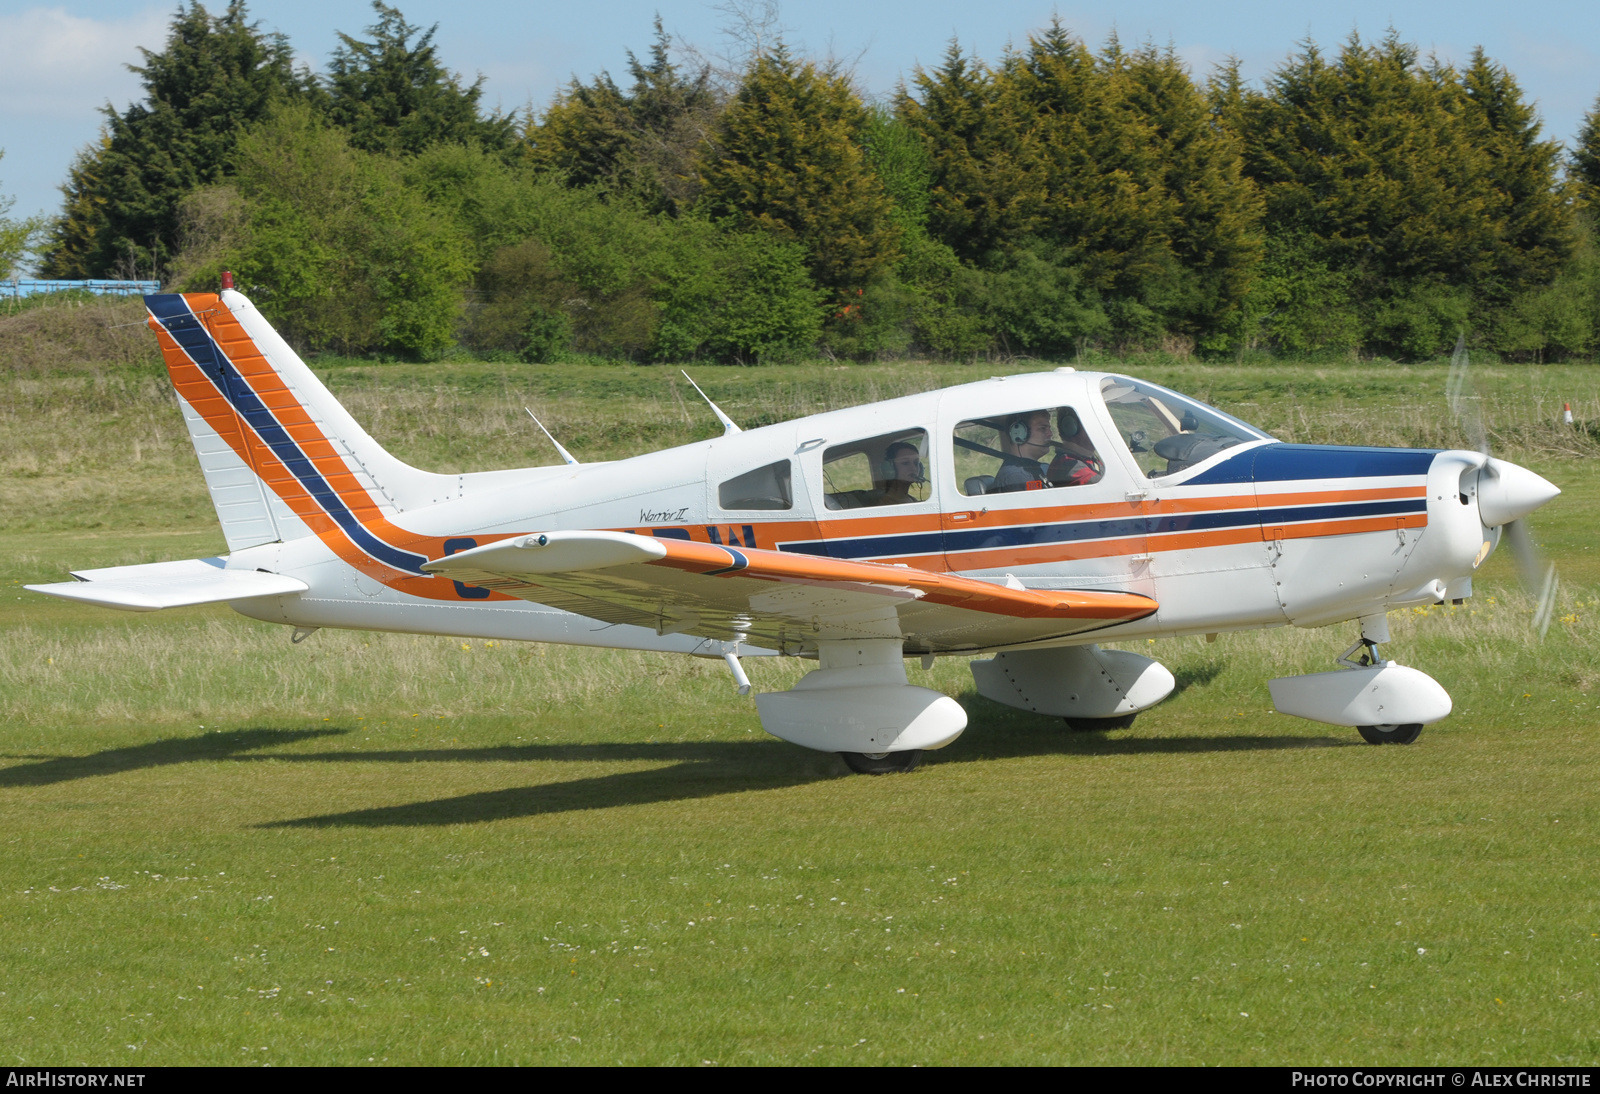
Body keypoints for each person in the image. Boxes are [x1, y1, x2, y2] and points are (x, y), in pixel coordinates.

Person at [992, 410, 1053, 492]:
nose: (1050, 434)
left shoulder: (1036, 469)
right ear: (1019, 433)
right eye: (1042, 428)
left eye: (1049, 428)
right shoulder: (1015, 476)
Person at [1047, 406, 1105, 487]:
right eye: (1091, 425)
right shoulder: (1067, 465)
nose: (1098, 431)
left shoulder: (1091, 459)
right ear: (1071, 428)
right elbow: (1103, 485)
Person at [873, 440, 925, 505]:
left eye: (916, 463)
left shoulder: (910, 499)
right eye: (905, 463)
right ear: (890, 468)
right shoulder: (887, 503)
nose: (914, 468)